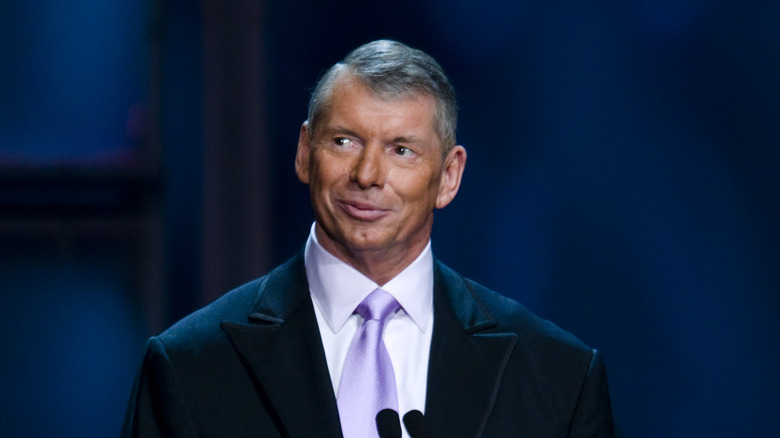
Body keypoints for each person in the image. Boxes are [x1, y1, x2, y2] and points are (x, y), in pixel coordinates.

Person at [122, 39, 619, 438]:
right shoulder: (189, 368)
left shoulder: (559, 379)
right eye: (344, 141)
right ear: (304, 152)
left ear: (449, 176)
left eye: (401, 150)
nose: (367, 174)